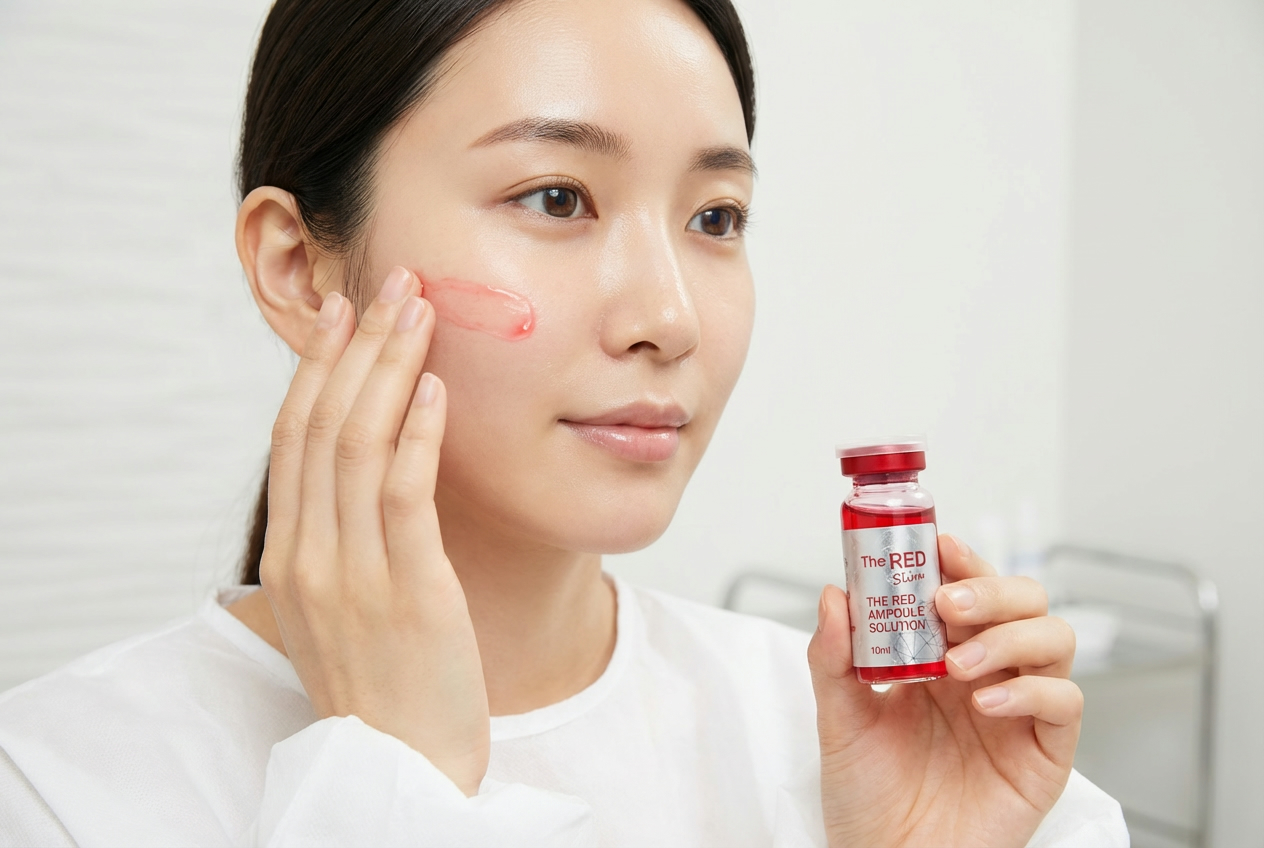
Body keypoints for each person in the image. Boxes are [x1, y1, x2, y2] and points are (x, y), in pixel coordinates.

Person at [0, 0, 1127, 845]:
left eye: (715, 217)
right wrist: (391, 784)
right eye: (556, 197)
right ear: (299, 268)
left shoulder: (851, 739)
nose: (669, 318)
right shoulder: (57, 789)